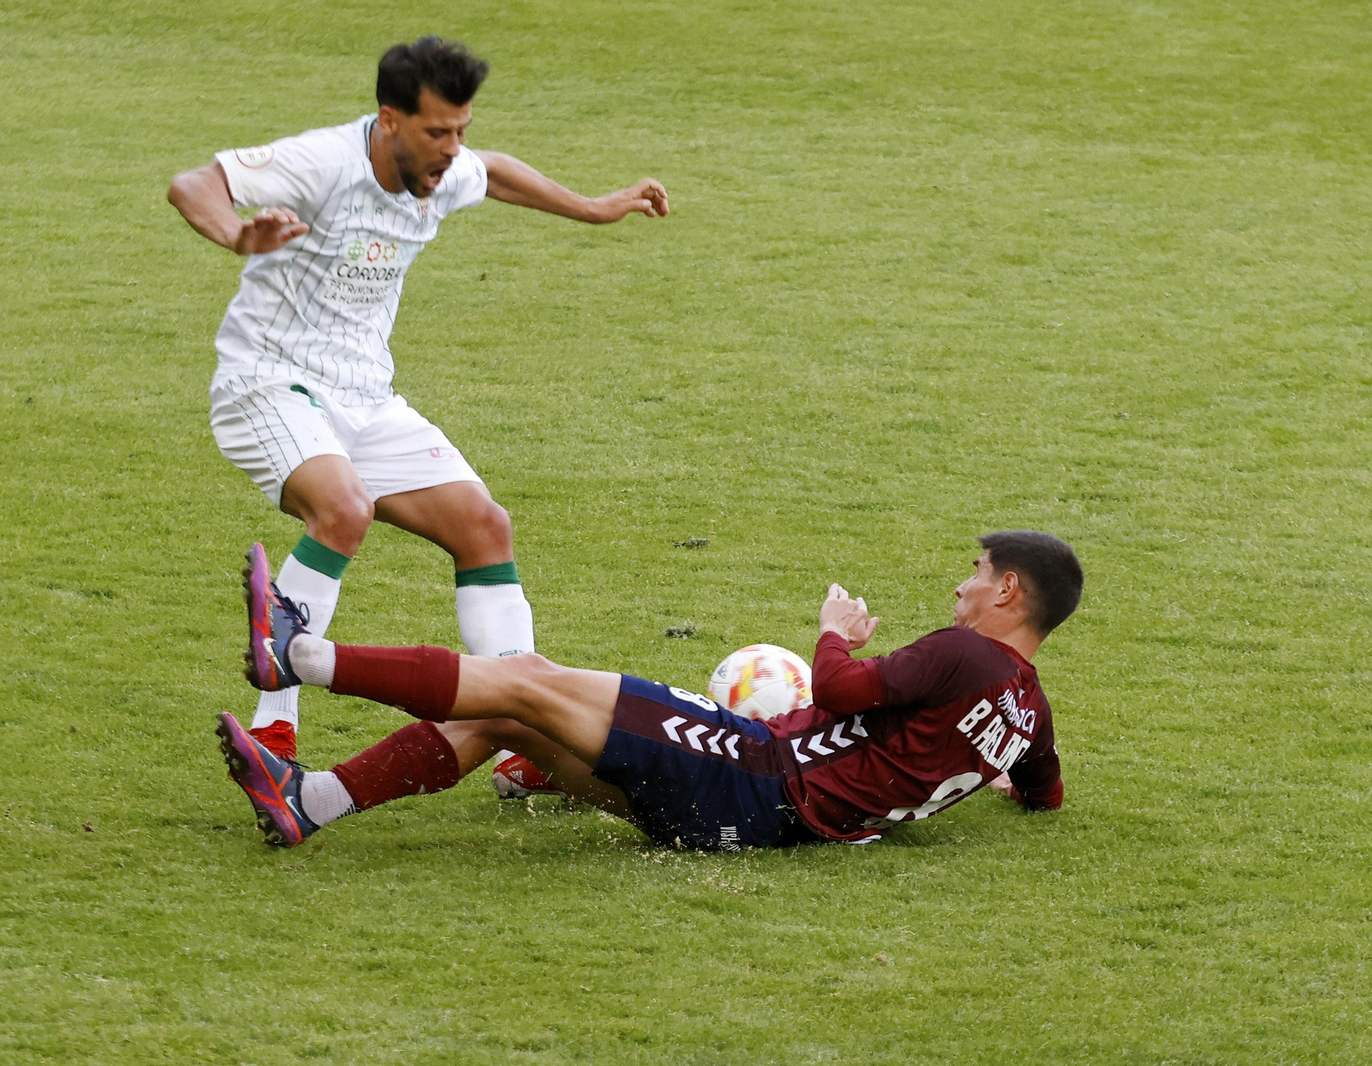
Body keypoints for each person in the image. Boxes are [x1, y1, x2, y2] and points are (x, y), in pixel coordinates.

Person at [167, 37, 668, 763]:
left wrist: (595, 208)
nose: (452, 150)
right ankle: (275, 725)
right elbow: (193, 184)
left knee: (483, 526)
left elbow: (495, 171)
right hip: (269, 382)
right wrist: (237, 235)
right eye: (437, 132)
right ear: (389, 120)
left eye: (461, 130)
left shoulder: (446, 169)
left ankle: (523, 738)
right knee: (343, 510)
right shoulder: (324, 161)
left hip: (366, 397)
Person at [216, 531, 1084, 850]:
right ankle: (310, 802)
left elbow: (839, 686)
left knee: (527, 678)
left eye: (978, 572)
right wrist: (1009, 786)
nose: (963, 585)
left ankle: (301, 658)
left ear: (1009, 591)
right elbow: (1043, 787)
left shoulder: (964, 655)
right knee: (508, 716)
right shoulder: (1029, 713)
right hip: (760, 826)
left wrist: (834, 631)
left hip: (753, 774)